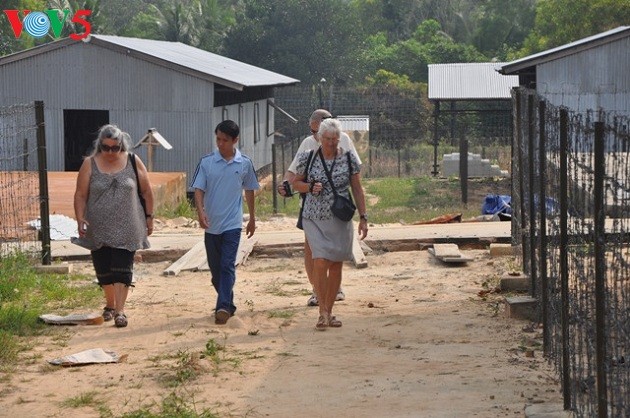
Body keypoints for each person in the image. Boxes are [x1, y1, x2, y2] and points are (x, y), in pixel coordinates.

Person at [277, 109, 362, 307]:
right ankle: (316, 290)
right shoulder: (307, 144)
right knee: (313, 251)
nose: (316, 136)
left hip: (337, 207)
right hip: (312, 209)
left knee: (337, 252)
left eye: (318, 132)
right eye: (313, 131)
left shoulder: (344, 141)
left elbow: (356, 175)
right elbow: (292, 173)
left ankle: (334, 289)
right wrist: (285, 186)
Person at [73, 124, 154, 328]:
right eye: (106, 147)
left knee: (122, 268)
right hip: (98, 226)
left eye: (114, 148)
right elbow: (81, 194)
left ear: (122, 145)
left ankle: (120, 311)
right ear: (100, 145)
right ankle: (109, 305)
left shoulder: (133, 161)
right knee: (104, 269)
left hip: (128, 225)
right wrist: (80, 218)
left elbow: (146, 191)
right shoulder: (89, 164)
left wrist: (149, 217)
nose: (110, 152)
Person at [292, 118, 368, 329]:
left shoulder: (349, 158)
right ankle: (321, 311)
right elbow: (295, 183)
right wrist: (309, 188)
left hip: (339, 218)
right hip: (313, 217)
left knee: (336, 263)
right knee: (320, 261)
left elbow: (357, 188)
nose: (332, 143)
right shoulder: (308, 158)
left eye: (335, 139)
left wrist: (364, 217)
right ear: (319, 138)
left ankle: (329, 311)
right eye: (327, 139)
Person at [191, 120, 259, 325]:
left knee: (227, 265)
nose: (220, 143)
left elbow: (249, 190)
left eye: (225, 140)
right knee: (215, 271)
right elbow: (198, 190)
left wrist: (252, 218)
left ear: (235, 140)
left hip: (233, 224)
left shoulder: (244, 163)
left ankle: (221, 307)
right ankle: (228, 303)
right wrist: (200, 212)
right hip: (211, 225)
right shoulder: (206, 163)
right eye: (218, 139)